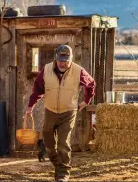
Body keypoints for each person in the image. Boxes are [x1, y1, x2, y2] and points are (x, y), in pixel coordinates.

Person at [25, 45, 96, 181]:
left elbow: (91, 84)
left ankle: (63, 174)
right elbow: (38, 90)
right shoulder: (46, 70)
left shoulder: (78, 71)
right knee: (48, 144)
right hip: (50, 111)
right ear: (56, 59)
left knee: (63, 143)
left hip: (68, 112)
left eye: (66, 60)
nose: (62, 63)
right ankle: (59, 166)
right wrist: (30, 106)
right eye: (60, 60)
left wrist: (85, 101)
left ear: (71, 59)